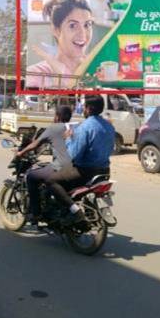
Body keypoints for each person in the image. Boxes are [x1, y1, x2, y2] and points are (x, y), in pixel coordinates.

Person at [45, 95, 114, 224]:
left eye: (84, 107)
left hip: (84, 172)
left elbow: (73, 155)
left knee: (51, 181)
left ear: (88, 109)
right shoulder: (109, 126)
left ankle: (74, 211)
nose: (83, 109)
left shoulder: (84, 128)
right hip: (104, 171)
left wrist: (67, 140)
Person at [16, 106, 73, 224]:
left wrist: (21, 152)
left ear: (57, 116)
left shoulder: (53, 128)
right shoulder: (73, 127)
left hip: (61, 166)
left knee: (31, 177)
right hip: (75, 166)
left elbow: (35, 144)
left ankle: (35, 213)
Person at [26, 0, 94, 89]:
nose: (82, 34)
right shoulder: (36, 74)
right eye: (73, 25)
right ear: (56, 30)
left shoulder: (98, 68)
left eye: (87, 25)